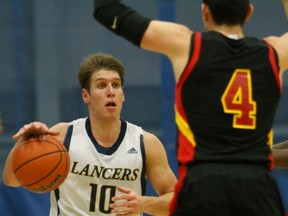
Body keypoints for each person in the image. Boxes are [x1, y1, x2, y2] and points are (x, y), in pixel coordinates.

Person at [93, 0, 288, 215]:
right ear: (249, 12)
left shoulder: (187, 45)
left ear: (204, 11)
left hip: (203, 186)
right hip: (258, 188)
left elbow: (107, 10)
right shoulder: (275, 53)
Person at [3, 52, 177, 216]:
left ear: (122, 95)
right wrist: (25, 142)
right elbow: (12, 180)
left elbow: (177, 201)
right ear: (86, 96)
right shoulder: (62, 135)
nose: (111, 91)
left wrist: (144, 204)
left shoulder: (145, 143)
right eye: (102, 85)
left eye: (116, 85)